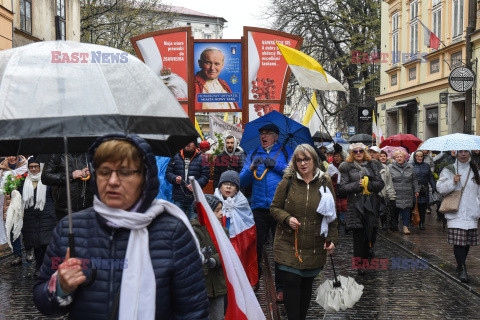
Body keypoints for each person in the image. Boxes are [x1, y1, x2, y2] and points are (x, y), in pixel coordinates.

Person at [33, 134, 209, 319]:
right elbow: (44, 303)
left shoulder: (174, 233)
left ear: (145, 177)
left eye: (125, 172)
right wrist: (60, 287)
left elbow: (193, 312)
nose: (113, 181)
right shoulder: (70, 229)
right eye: (104, 172)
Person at [270, 144, 337, 320]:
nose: (303, 163)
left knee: (306, 284)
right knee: (291, 281)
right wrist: (287, 218)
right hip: (288, 242)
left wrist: (332, 240)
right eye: (299, 160)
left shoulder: (325, 181)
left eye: (306, 159)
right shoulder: (288, 180)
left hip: (314, 243)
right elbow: (275, 208)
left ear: (314, 160)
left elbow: (332, 215)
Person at [240, 123, 292, 301]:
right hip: (259, 208)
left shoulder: (286, 152)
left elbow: (292, 174)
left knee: (279, 248)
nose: (264, 136)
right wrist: (251, 168)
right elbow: (242, 181)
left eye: (268, 133)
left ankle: (281, 288)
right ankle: (254, 281)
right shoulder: (254, 154)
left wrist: (275, 165)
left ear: (276, 136)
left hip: (279, 208)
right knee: (256, 247)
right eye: (262, 133)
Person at [338, 143, 384, 275]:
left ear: (365, 152)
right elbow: (342, 188)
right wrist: (356, 185)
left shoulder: (373, 165)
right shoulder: (346, 167)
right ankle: (359, 265)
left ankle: (367, 257)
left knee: (370, 234)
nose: (358, 153)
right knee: (358, 237)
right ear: (352, 154)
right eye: (355, 151)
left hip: (371, 204)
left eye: (361, 151)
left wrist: (369, 185)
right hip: (356, 205)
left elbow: (380, 183)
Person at [437, 150, 480, 283]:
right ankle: (462, 267)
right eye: (460, 152)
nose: (463, 154)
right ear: (456, 153)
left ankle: (461, 264)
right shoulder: (449, 169)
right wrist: (453, 181)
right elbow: (440, 189)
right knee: (459, 242)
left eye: (466, 152)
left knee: (466, 242)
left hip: (472, 210)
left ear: (470, 154)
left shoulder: (475, 170)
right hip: (455, 211)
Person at [214, 170, 258, 288]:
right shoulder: (212, 202)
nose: (228, 187)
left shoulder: (242, 203)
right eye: (225, 184)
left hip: (237, 243)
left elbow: (249, 226)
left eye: (232, 185)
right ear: (220, 187)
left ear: (237, 189)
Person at [191, 194, 228, 320]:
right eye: (217, 211)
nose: (221, 213)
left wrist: (214, 260)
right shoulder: (194, 230)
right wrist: (202, 256)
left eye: (221, 209)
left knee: (218, 316)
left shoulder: (223, 231)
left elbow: (226, 253)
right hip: (201, 285)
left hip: (218, 284)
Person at [20, 157, 56, 272]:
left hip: (46, 216)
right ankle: (39, 267)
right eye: (31, 167)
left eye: (36, 166)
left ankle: (46, 267)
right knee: (36, 244)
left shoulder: (47, 180)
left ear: (40, 167)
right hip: (31, 217)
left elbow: (54, 196)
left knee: (46, 243)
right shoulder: (23, 181)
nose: (34, 169)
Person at [41, 153, 93, 221]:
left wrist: (93, 172)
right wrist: (70, 176)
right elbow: (45, 177)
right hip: (63, 210)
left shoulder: (89, 154)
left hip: (87, 209)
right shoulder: (56, 154)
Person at [166, 140, 210, 219]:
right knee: (178, 224)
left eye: (191, 142)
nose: (188, 144)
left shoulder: (202, 158)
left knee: (194, 226)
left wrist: (196, 184)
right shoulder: (176, 156)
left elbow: (205, 177)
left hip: (194, 199)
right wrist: (174, 178)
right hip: (178, 197)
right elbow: (168, 173)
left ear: (195, 144)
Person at [0, 155, 28, 266]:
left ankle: (29, 249)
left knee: (26, 228)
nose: (11, 158)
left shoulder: (25, 166)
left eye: (13, 155)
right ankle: (17, 255)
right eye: (9, 156)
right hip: (9, 203)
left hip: (25, 202)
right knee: (12, 228)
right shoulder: (2, 169)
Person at [389, 150, 420, 234]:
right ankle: (395, 226)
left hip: (407, 193)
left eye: (401, 157)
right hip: (395, 193)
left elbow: (414, 180)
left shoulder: (410, 167)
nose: (399, 158)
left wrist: (416, 190)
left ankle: (405, 227)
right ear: (395, 158)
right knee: (395, 211)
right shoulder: (390, 167)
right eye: (397, 157)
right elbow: (388, 181)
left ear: (404, 158)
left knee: (406, 211)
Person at [412, 151, 436, 230]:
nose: (419, 158)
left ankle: (421, 223)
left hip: (424, 189)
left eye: (421, 156)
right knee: (414, 206)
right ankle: (413, 221)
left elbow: (430, 177)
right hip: (414, 190)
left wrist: (433, 187)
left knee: (423, 207)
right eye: (417, 156)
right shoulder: (411, 166)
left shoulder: (426, 166)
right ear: (415, 157)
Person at [326, 146, 347, 225]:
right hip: (334, 190)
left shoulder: (345, 165)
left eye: (339, 156)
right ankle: (336, 222)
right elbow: (328, 179)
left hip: (344, 189)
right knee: (336, 207)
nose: (337, 158)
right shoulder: (331, 167)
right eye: (335, 156)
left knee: (345, 206)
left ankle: (345, 224)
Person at [378, 153, 396, 231]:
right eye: (381, 156)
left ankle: (384, 223)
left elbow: (389, 183)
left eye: (384, 156)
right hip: (372, 194)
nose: (382, 158)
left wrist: (392, 196)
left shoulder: (386, 167)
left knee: (383, 210)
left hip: (382, 194)